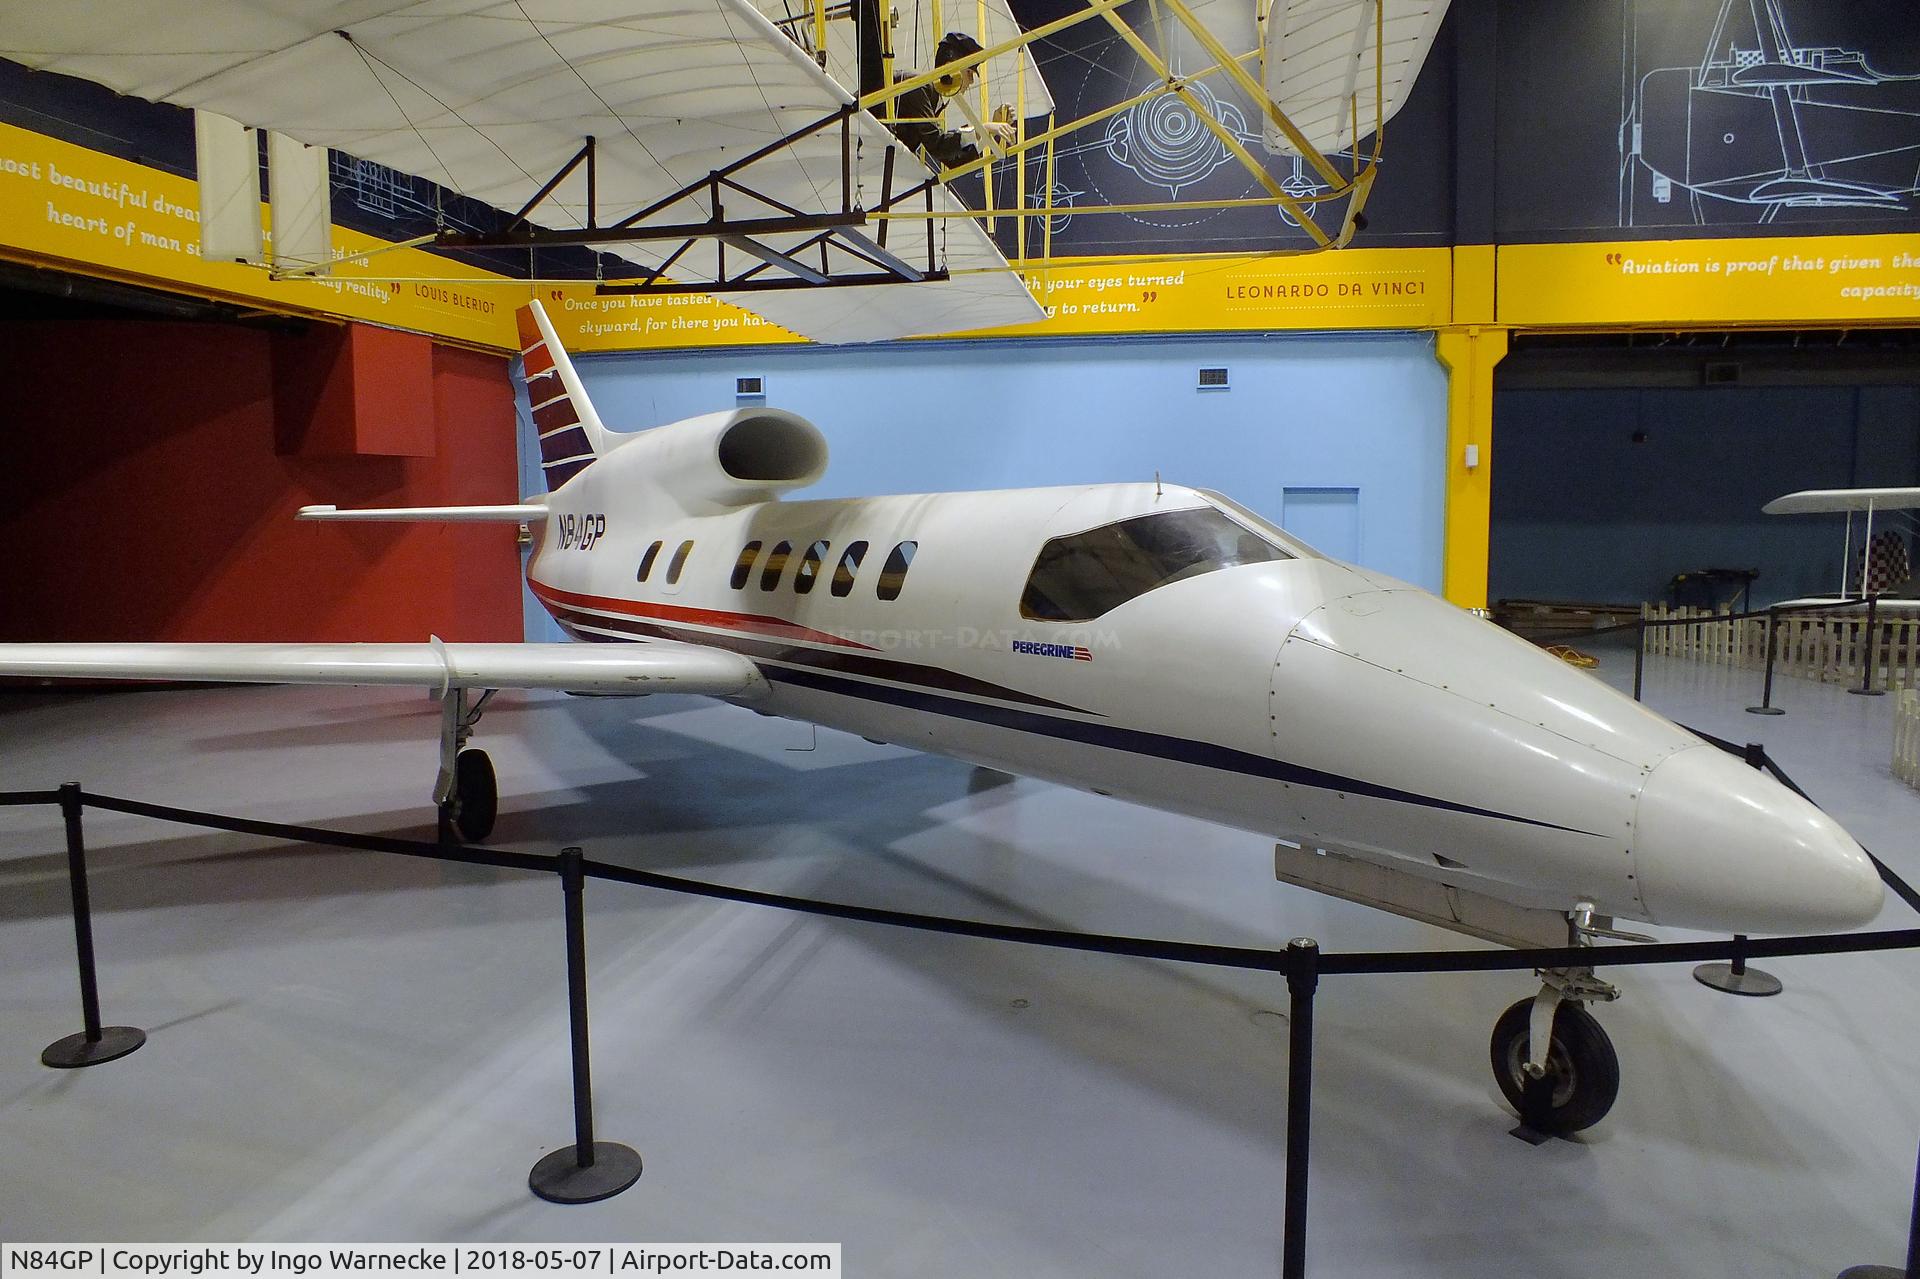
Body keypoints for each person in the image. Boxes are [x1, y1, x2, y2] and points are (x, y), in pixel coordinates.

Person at [882, 31, 1016, 169]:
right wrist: (984, 128)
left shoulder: (931, 95)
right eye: (969, 72)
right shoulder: (918, 86)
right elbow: (936, 145)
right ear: (951, 67)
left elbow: (952, 161)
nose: (971, 81)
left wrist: (989, 130)